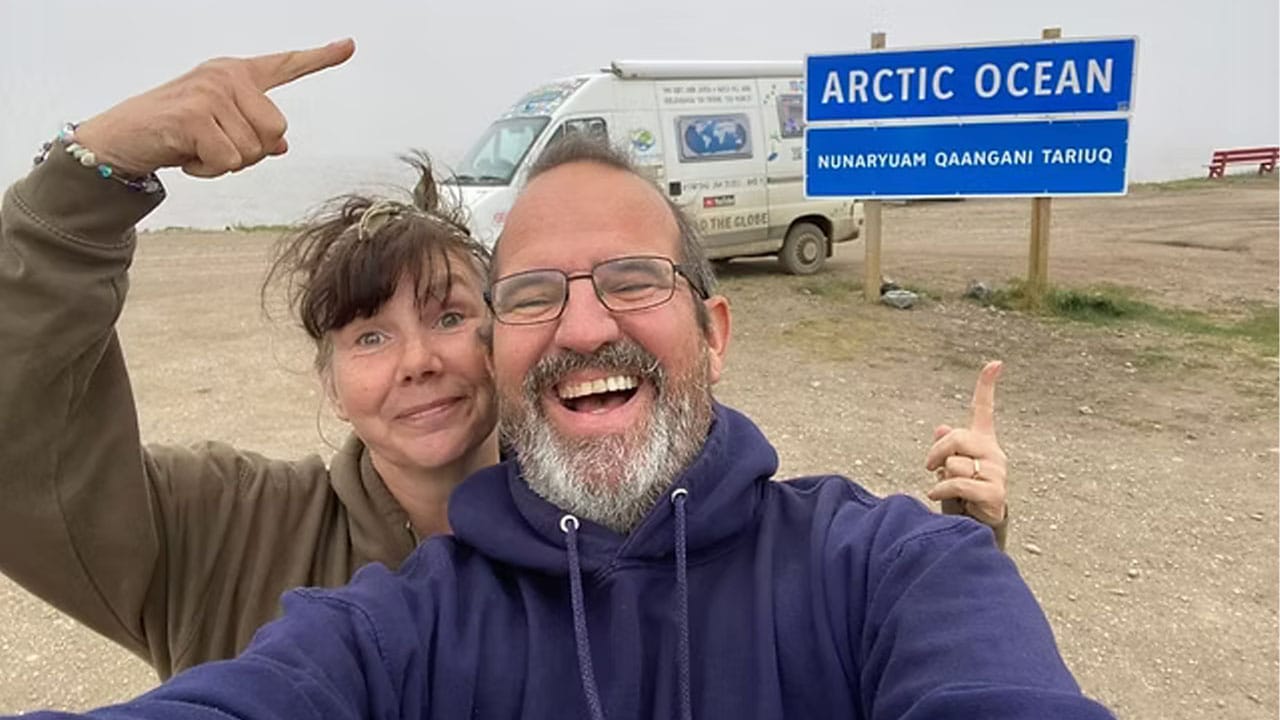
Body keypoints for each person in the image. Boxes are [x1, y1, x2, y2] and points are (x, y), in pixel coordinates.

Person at [4, 75, 1108, 720]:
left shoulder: (874, 565)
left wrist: (967, 546)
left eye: (449, 316)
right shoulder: (370, 601)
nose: (420, 362)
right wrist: (91, 171)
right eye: (367, 335)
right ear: (328, 379)